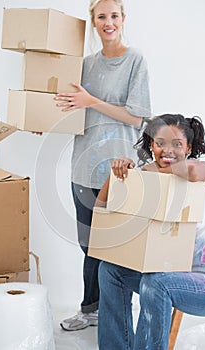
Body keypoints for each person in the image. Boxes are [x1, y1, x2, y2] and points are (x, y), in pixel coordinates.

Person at [54, 0, 151, 331]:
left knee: (116, 246)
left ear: (123, 19)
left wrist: (92, 100)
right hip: (83, 167)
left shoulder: (135, 60)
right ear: (93, 22)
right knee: (89, 246)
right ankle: (91, 311)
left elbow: (137, 116)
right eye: (101, 17)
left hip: (119, 168)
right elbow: (73, 107)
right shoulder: (85, 64)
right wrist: (46, 118)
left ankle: (117, 313)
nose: (108, 22)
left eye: (113, 16)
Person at [96, 114, 205, 350]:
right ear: (151, 145)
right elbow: (102, 208)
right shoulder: (149, 178)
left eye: (177, 144)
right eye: (160, 143)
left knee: (156, 282)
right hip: (167, 277)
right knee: (109, 270)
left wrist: (148, 171)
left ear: (189, 147)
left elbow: (193, 172)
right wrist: (117, 174)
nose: (168, 150)